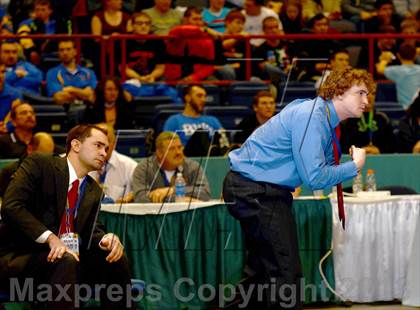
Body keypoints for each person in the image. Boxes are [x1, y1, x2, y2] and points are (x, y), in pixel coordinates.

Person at [223, 67, 373, 309]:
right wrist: (354, 166)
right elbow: (314, 177)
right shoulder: (312, 117)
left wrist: (342, 166)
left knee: (264, 273)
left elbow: (321, 170)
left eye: (368, 94)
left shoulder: (325, 120)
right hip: (256, 191)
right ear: (340, 92)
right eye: (361, 93)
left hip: (260, 190)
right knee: (285, 273)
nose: (367, 101)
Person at [0, 124, 133, 309]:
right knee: (64, 259)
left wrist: (105, 238)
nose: (104, 153)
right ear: (76, 145)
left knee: (113, 256)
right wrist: (50, 238)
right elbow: (11, 207)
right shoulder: (40, 164)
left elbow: (91, 231)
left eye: (107, 148)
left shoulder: (93, 190)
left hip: (67, 261)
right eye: (98, 145)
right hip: (20, 257)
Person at [132, 131, 211, 203]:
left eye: (180, 147)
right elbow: (140, 198)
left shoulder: (192, 166)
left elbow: (205, 193)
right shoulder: (144, 168)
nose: (178, 152)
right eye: (172, 149)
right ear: (159, 153)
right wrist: (180, 199)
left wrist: (172, 190)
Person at [89, 123, 138, 203]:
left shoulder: (130, 166)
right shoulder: (80, 164)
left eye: (106, 142)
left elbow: (142, 191)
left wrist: (132, 196)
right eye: (97, 143)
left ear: (114, 144)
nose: (101, 148)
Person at [340, 88, 396, 154]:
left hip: (380, 160)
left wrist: (379, 151)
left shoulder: (382, 119)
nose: (369, 97)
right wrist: (359, 151)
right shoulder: (349, 120)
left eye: (373, 93)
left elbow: (392, 147)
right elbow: (343, 148)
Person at [0, 131, 55, 197]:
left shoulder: (53, 171)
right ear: (30, 149)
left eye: (50, 155)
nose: (47, 160)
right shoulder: (9, 172)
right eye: (43, 155)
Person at [46, 39, 97, 105]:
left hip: (87, 110)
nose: (65, 53)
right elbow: (58, 97)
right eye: (61, 50)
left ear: (75, 51)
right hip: (66, 110)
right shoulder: (52, 73)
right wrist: (82, 92)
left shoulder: (89, 72)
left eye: (68, 49)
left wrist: (70, 89)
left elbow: (90, 96)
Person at [125, 12, 166, 83]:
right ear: (132, 25)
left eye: (147, 23)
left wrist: (151, 77)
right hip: (130, 78)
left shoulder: (158, 41)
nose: (144, 26)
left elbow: (160, 68)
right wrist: (139, 78)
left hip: (153, 78)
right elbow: (123, 69)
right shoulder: (123, 40)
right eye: (139, 23)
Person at [379, 43, 420, 109]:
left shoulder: (397, 70)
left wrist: (385, 59)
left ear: (398, 55)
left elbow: (380, 69)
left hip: (405, 109)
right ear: (415, 56)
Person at [17, 0, 58, 65]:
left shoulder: (56, 24)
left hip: (54, 54)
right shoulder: (26, 23)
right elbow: (24, 38)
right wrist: (31, 51)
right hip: (33, 54)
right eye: (37, 10)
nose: (40, 12)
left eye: (43, 10)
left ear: (50, 11)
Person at [0, 62, 23, 134]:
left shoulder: (15, 94)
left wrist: (5, 126)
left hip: (8, 137)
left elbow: (18, 121)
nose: (0, 76)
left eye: (2, 72)